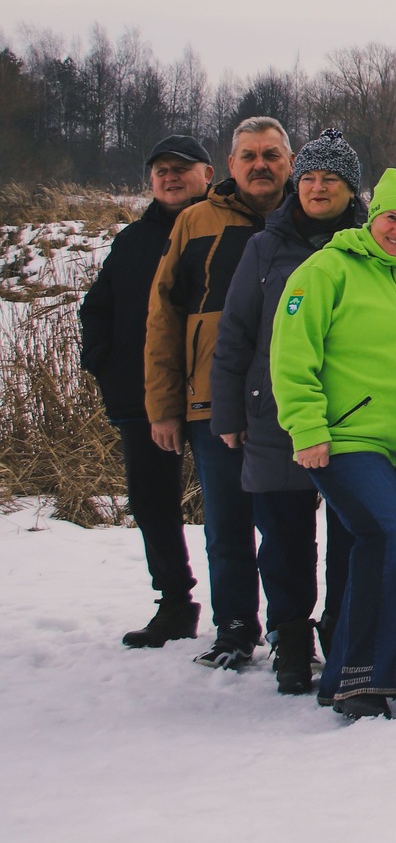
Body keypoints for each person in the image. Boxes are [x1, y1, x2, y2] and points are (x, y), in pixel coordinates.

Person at [270, 168, 396, 718]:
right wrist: (307, 428)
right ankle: (363, 674)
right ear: (374, 216)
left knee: (379, 547)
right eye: (393, 217)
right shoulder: (327, 270)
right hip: (347, 438)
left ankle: (345, 675)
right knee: (388, 531)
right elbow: (291, 352)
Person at [209, 128, 367, 694]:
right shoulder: (264, 248)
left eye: (332, 179)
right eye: (310, 178)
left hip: (353, 420)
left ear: (353, 190)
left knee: (354, 536)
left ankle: (344, 633)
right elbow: (236, 335)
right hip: (275, 416)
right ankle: (291, 641)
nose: (318, 187)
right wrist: (228, 413)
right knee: (283, 540)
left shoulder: (371, 249)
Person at [143, 116, 293, 671]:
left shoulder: (306, 221)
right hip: (212, 403)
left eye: (271, 155)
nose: (260, 165)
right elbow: (164, 318)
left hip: (289, 406)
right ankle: (234, 627)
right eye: (249, 155)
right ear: (229, 166)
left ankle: (288, 628)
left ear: (289, 162)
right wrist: (163, 405)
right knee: (226, 526)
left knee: (286, 529)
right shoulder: (196, 222)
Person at [79, 134, 213, 649]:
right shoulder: (133, 241)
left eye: (182, 167)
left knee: (235, 508)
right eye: (161, 169)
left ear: (208, 174)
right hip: (142, 397)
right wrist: (105, 364)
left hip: (213, 393)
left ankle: (248, 612)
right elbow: (99, 307)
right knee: (152, 502)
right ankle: (175, 602)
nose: (171, 177)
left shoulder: (229, 230)